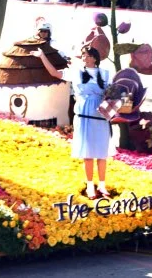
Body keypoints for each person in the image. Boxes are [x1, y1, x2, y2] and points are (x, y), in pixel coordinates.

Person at [33, 45, 113, 199]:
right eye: (83, 54)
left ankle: (102, 185)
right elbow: (54, 73)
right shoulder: (76, 73)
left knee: (101, 153)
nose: (85, 57)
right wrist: (42, 56)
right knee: (88, 153)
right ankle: (90, 186)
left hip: (101, 117)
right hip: (84, 117)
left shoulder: (106, 74)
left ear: (95, 58)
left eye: (88, 55)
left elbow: (113, 93)